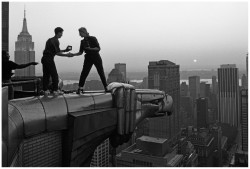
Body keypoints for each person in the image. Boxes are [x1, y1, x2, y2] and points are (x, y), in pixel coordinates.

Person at [70, 27, 108, 94]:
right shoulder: (82, 42)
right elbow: (80, 52)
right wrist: (73, 54)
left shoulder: (93, 38)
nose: (79, 35)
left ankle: (106, 87)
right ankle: (80, 88)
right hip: (88, 57)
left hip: (96, 56)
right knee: (84, 72)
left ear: (84, 32)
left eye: (80, 33)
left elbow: (98, 48)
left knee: (100, 72)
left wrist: (90, 49)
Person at [41, 27, 72, 96]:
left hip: (44, 59)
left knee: (46, 75)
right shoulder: (56, 40)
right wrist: (67, 55)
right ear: (58, 33)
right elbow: (57, 53)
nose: (62, 35)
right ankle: (55, 90)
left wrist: (65, 50)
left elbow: (55, 50)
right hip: (49, 59)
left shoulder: (50, 40)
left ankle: (45, 90)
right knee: (54, 75)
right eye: (61, 33)